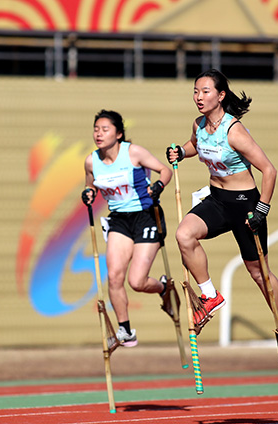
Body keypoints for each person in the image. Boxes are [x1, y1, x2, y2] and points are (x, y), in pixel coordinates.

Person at [166, 69, 278, 363]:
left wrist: (262, 209)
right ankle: (210, 295)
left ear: (221, 95)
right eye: (196, 91)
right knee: (183, 235)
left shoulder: (233, 131)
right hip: (217, 200)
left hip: (245, 205)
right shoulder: (199, 124)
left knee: (257, 272)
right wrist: (180, 151)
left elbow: (269, 170)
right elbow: (194, 145)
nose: (198, 97)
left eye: (205, 92)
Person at [82, 109, 175, 347]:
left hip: (145, 216)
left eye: (105, 129)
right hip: (119, 220)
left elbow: (164, 171)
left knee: (137, 281)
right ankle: (125, 330)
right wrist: (89, 193)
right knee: (114, 277)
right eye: (96, 129)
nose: (99, 134)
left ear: (119, 134)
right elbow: (90, 184)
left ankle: (164, 288)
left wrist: (158, 186)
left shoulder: (133, 153)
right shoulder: (92, 161)